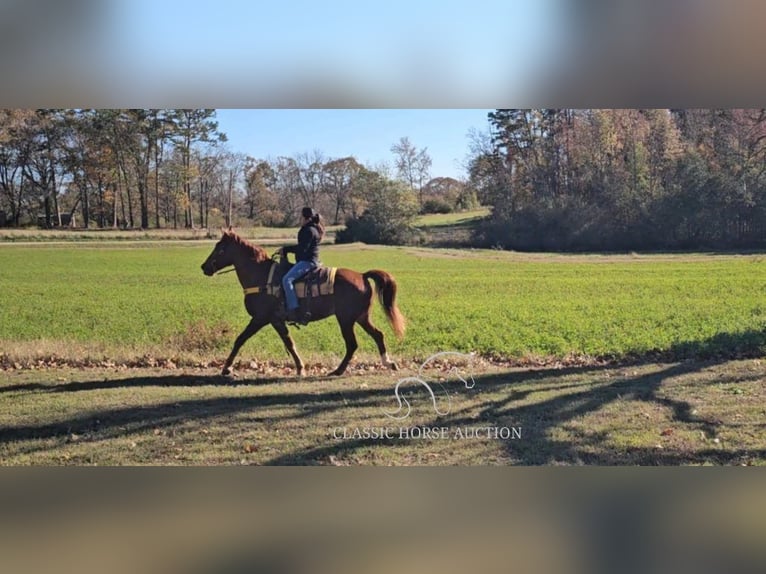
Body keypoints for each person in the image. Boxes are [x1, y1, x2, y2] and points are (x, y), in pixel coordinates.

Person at [281, 207, 325, 323]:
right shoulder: (312, 229)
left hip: (308, 262)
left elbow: (302, 249)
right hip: (310, 260)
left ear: (305, 217)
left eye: (301, 216)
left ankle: (293, 310)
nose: (300, 219)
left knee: (287, 280)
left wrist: (286, 249)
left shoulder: (308, 230)